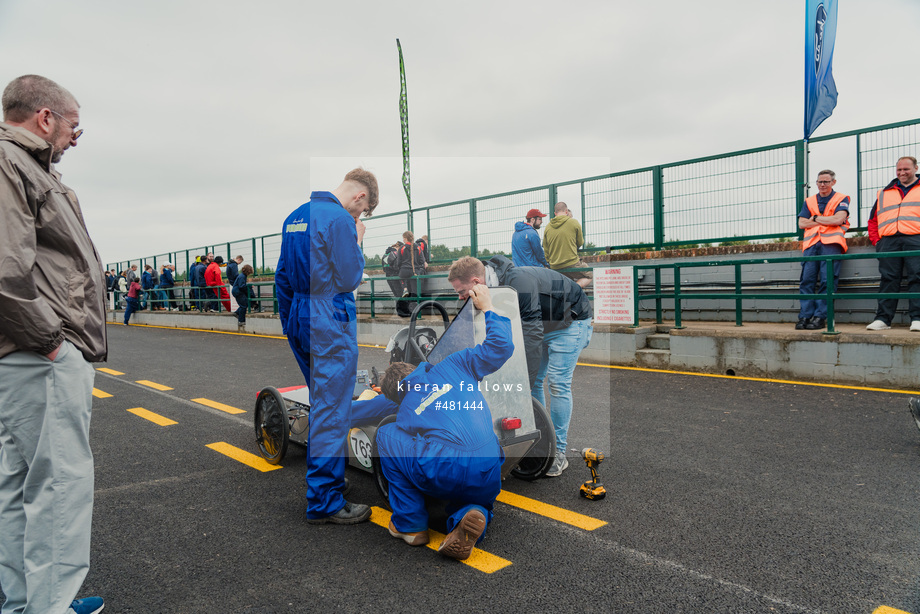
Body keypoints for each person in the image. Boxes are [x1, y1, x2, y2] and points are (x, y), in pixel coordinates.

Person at [0, 74, 106, 614]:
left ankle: (26, 605)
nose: (74, 137)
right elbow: (4, 269)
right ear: (45, 118)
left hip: (24, 353)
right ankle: (48, 607)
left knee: (21, 488)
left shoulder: (27, 168)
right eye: (73, 125)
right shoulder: (10, 162)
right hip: (37, 352)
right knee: (59, 487)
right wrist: (50, 342)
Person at [372, 285, 513, 560]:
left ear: (395, 396)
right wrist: (488, 307)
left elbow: (366, 411)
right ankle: (472, 516)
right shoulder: (457, 363)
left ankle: (409, 525)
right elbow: (501, 347)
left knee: (387, 435)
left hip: (447, 468)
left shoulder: (405, 406)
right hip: (490, 465)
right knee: (476, 497)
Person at [275, 167, 379, 524]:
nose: (358, 217)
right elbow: (350, 278)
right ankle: (325, 500)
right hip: (329, 320)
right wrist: (358, 239)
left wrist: (291, 324)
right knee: (332, 409)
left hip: (301, 317)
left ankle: (330, 479)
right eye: (361, 213)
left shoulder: (295, 217)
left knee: (323, 403)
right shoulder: (340, 220)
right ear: (360, 197)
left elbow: (282, 278)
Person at [448, 254, 593, 477]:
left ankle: (558, 453)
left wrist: (522, 384)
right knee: (531, 387)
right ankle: (536, 445)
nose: (460, 298)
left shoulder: (518, 283)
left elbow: (531, 334)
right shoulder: (488, 288)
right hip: (545, 321)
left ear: (477, 282)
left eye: (461, 292)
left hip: (570, 321)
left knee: (557, 384)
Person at [866, 156, 920, 332]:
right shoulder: (884, 193)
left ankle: (917, 318)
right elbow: (873, 220)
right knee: (888, 280)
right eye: (899, 170)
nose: (902, 173)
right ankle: (883, 319)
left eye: (906, 169)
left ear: (916, 168)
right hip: (888, 241)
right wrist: (878, 241)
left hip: (916, 239)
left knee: (917, 277)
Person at [795, 169, 850, 330]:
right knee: (807, 280)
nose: (822, 185)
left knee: (828, 281)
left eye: (826, 181)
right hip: (811, 245)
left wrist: (815, 218)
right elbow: (802, 224)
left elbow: (839, 219)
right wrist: (828, 220)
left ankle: (820, 317)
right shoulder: (809, 200)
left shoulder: (841, 198)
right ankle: (805, 316)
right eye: (819, 182)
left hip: (831, 244)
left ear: (833, 182)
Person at [543, 201, 591, 289]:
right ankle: (575, 289)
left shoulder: (548, 227)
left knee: (566, 280)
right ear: (566, 212)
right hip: (571, 262)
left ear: (555, 213)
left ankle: (568, 293)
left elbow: (546, 249)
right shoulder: (574, 222)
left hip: (555, 265)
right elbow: (580, 242)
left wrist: (550, 262)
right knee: (590, 274)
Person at [398, 230, 427, 300]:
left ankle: (405, 289)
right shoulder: (418, 247)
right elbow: (422, 261)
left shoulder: (402, 248)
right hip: (415, 272)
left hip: (404, 272)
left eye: (403, 238)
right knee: (415, 293)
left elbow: (398, 262)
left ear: (405, 238)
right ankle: (416, 308)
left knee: (400, 276)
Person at [232, 264, 253, 331]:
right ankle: (241, 321)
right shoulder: (242, 277)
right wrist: (249, 287)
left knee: (243, 304)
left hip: (237, 291)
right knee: (244, 305)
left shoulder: (242, 276)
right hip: (238, 292)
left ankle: (237, 313)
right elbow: (241, 286)